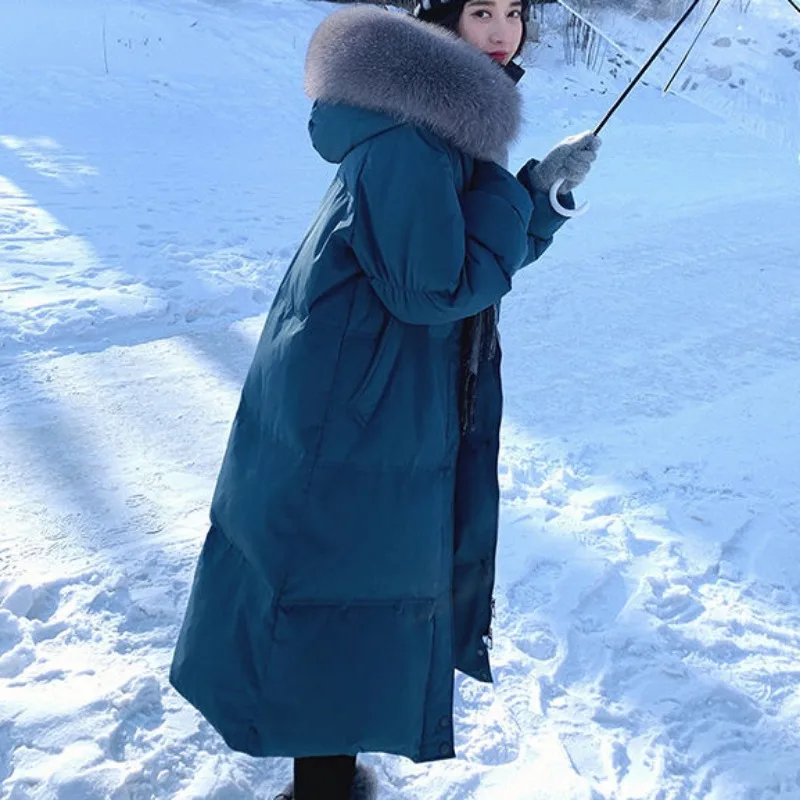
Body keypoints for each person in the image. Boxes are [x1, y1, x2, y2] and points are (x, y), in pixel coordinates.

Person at [169, 1, 601, 798]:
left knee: (341, 598)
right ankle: (323, 783)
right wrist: (524, 188)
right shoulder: (409, 138)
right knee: (331, 596)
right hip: (354, 417)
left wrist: (539, 201)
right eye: (481, 10)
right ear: (442, 18)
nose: (503, 29)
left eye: (515, 11)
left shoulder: (431, 123)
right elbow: (435, 287)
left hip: (364, 402)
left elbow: (462, 258)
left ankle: (329, 769)